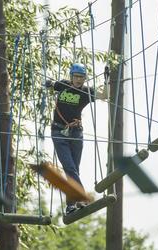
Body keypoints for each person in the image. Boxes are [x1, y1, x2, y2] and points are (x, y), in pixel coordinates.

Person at [46, 63, 108, 214]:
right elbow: (50, 85)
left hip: (76, 133)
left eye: (81, 77)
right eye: (76, 77)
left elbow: (105, 96)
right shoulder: (63, 85)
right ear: (71, 77)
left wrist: (107, 80)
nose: (78, 80)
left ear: (85, 78)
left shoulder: (87, 92)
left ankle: (70, 206)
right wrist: (47, 84)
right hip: (59, 132)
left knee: (73, 171)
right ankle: (81, 198)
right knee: (70, 168)